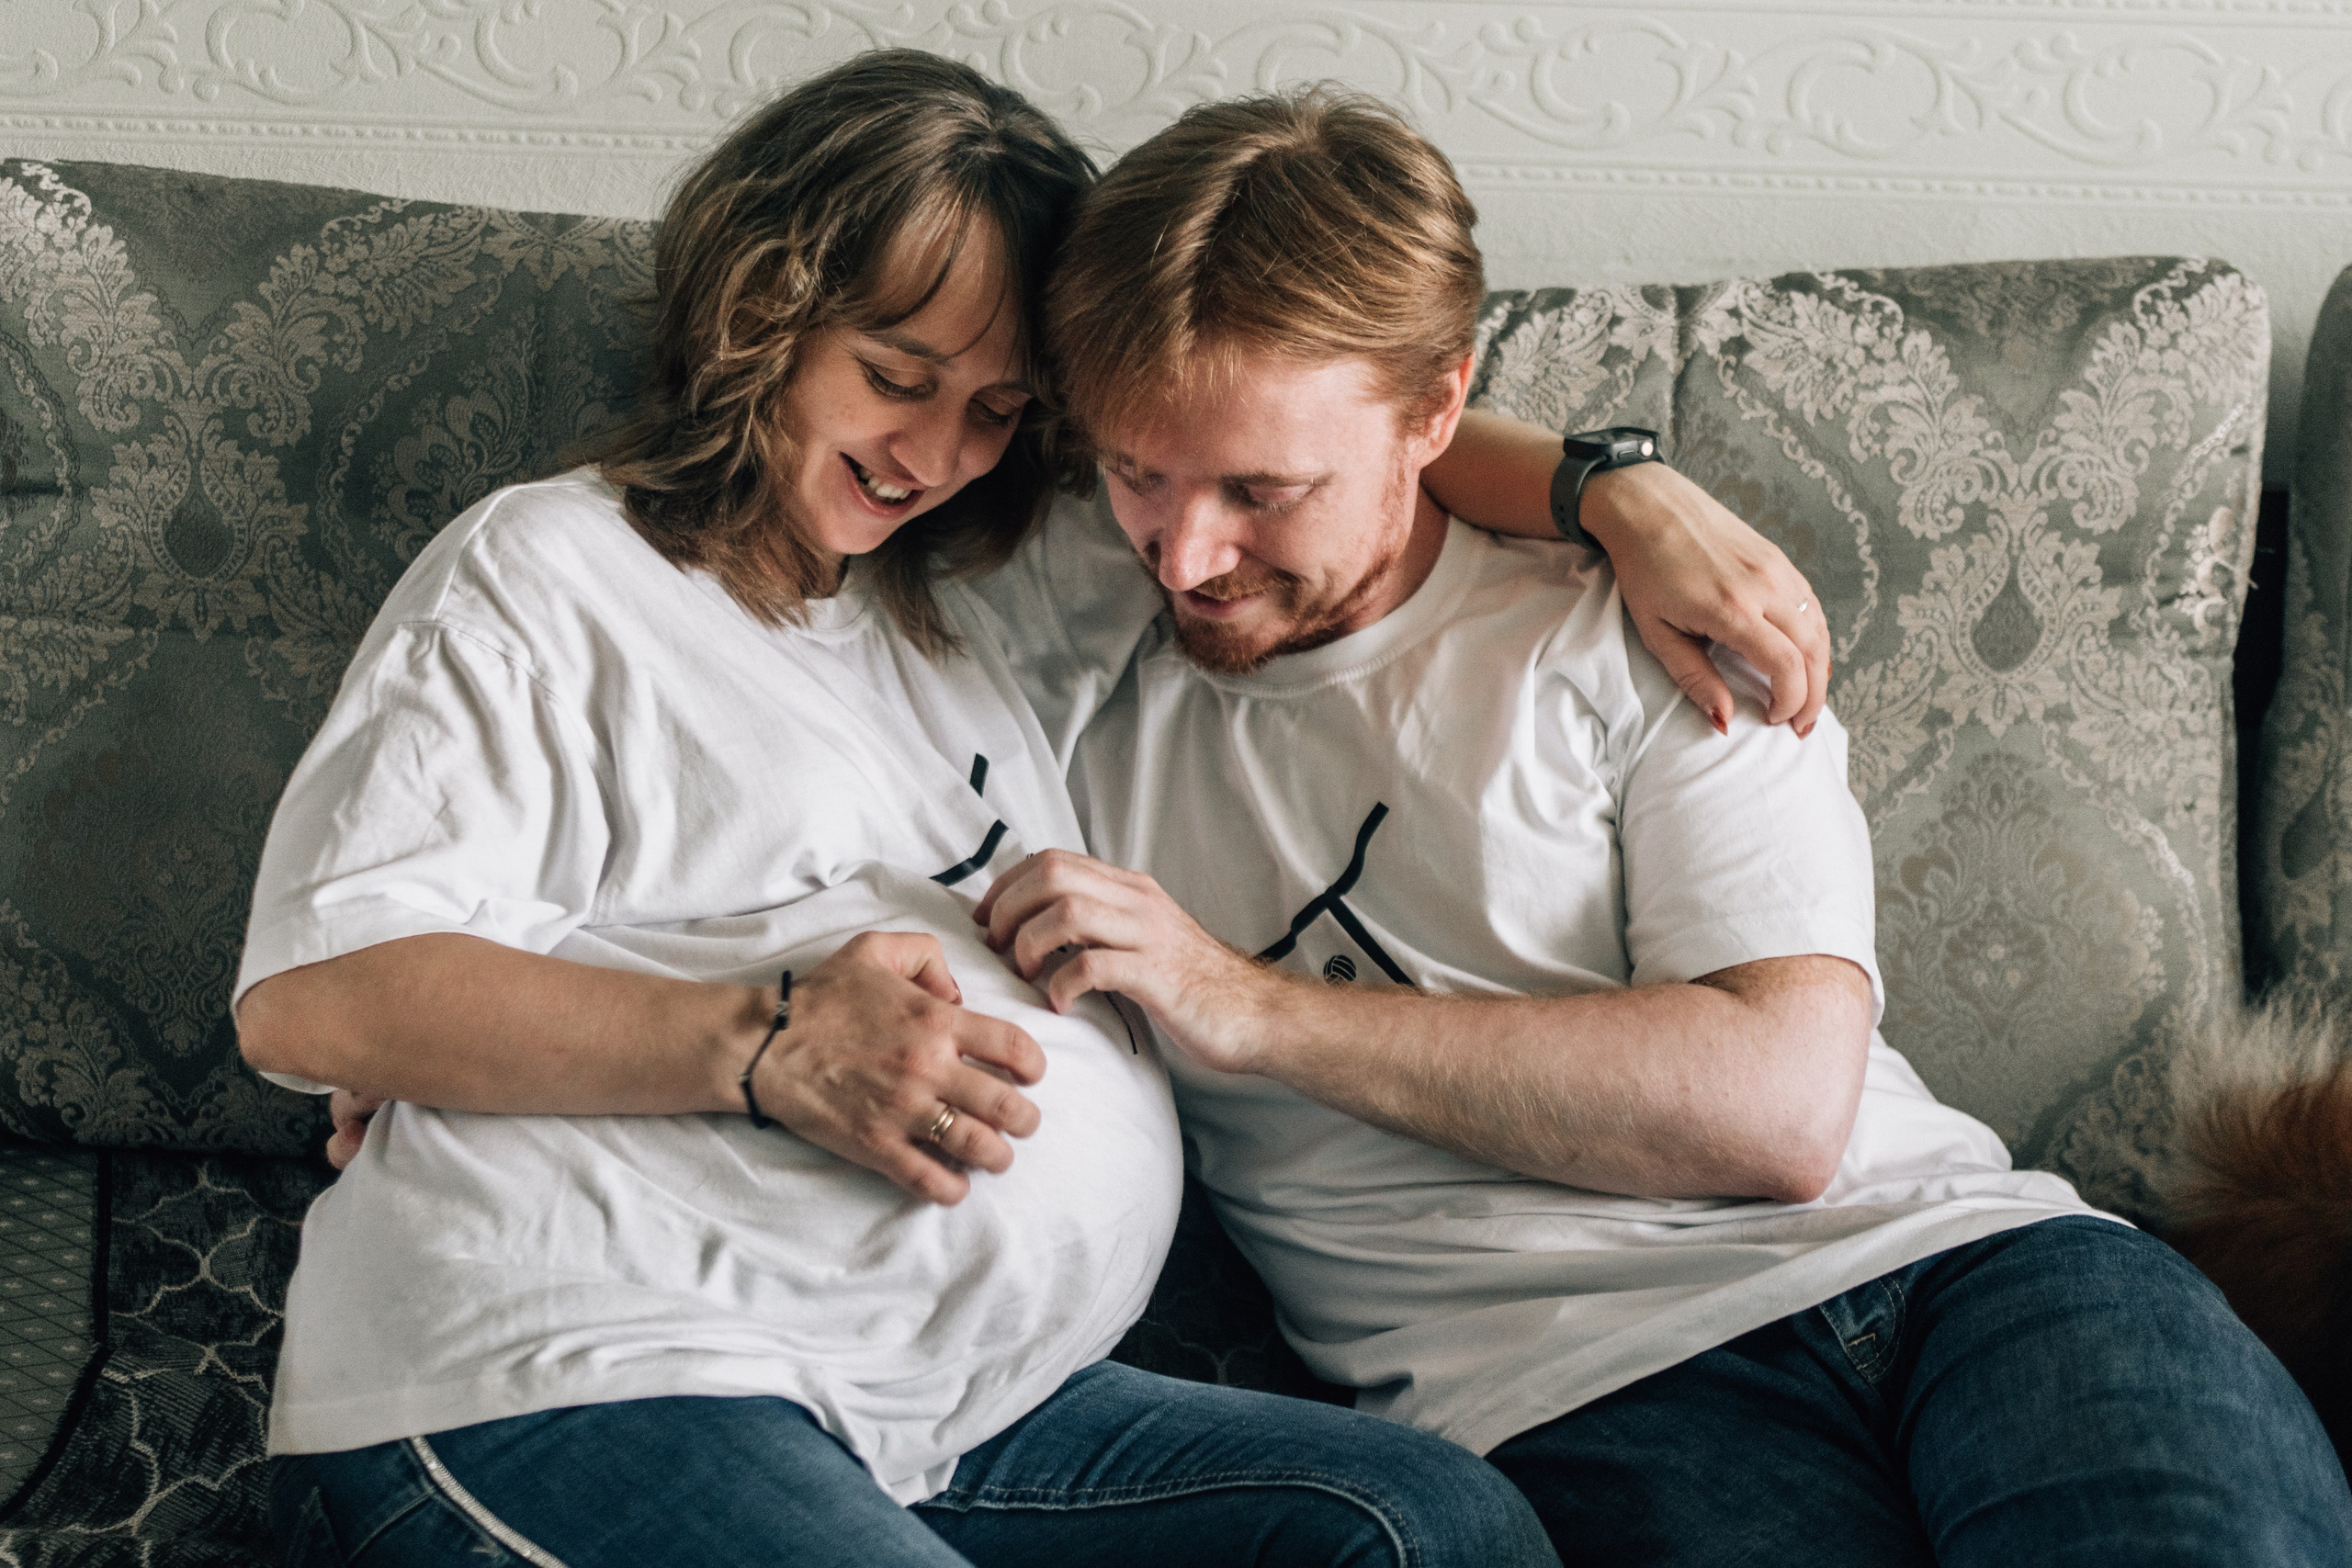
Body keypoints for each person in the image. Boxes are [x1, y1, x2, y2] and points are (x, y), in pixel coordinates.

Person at [232, 51, 1810, 1568]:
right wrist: (761, 1037)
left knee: (1422, 1529)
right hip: (579, 1364)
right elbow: (320, 993)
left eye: (996, 411)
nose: (932, 455)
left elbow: (1306, 437)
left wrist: (1618, 490)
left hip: (939, 1413)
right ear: (759, 310)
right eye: (896, 380)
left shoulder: (983, 587)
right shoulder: (556, 574)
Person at [970, 88, 2352, 1566]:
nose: (1186, 553)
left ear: (1437, 411)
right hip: (1571, 1393)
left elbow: (1777, 1109)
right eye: (1137, 472)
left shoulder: (1646, 629)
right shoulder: (1051, 633)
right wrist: (1605, 477)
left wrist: (1242, 1007)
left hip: (1969, 1270)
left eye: (1265, 490)